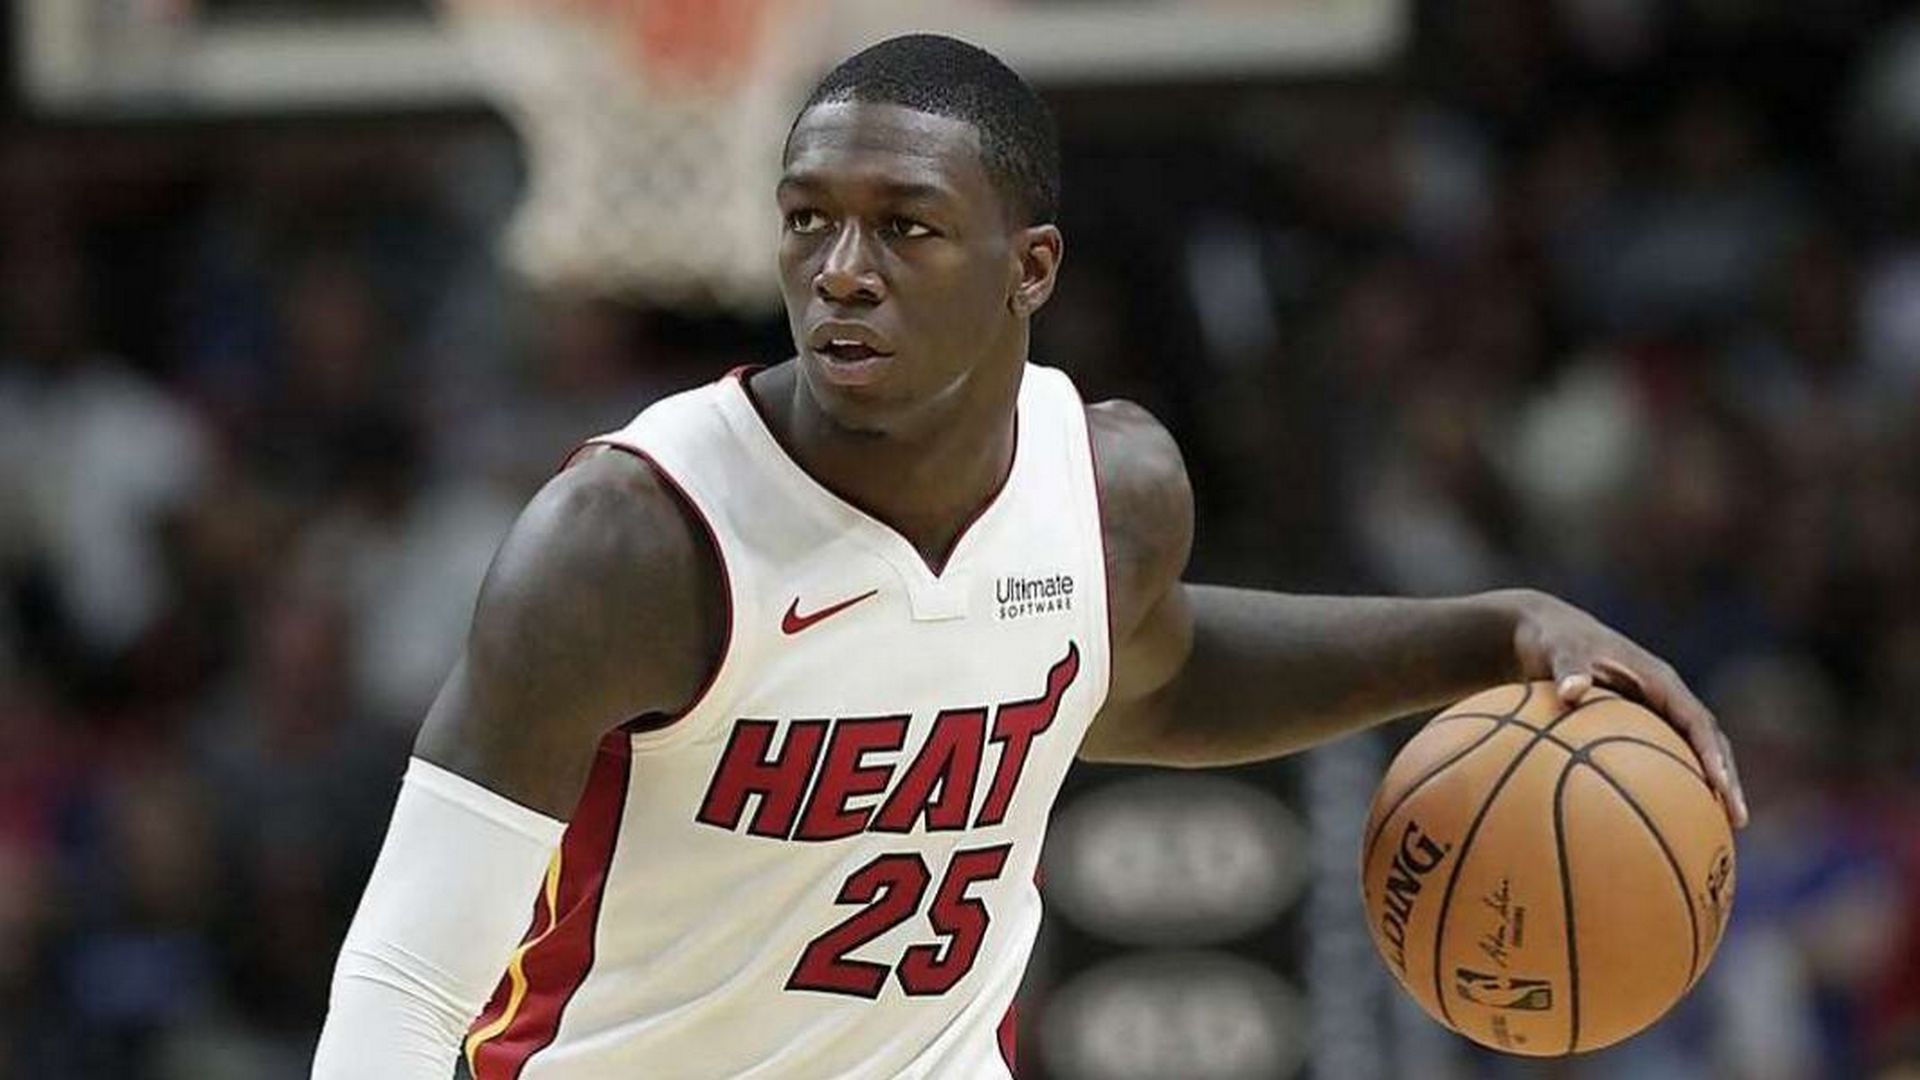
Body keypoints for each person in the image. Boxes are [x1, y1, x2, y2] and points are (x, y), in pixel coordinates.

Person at [311, 34, 1748, 1080]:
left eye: (905, 226)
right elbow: (405, 982)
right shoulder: (630, 541)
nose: (843, 269)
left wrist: (1494, 632)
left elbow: (1158, 683)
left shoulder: (1107, 489)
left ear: (1032, 267)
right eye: (809, 219)